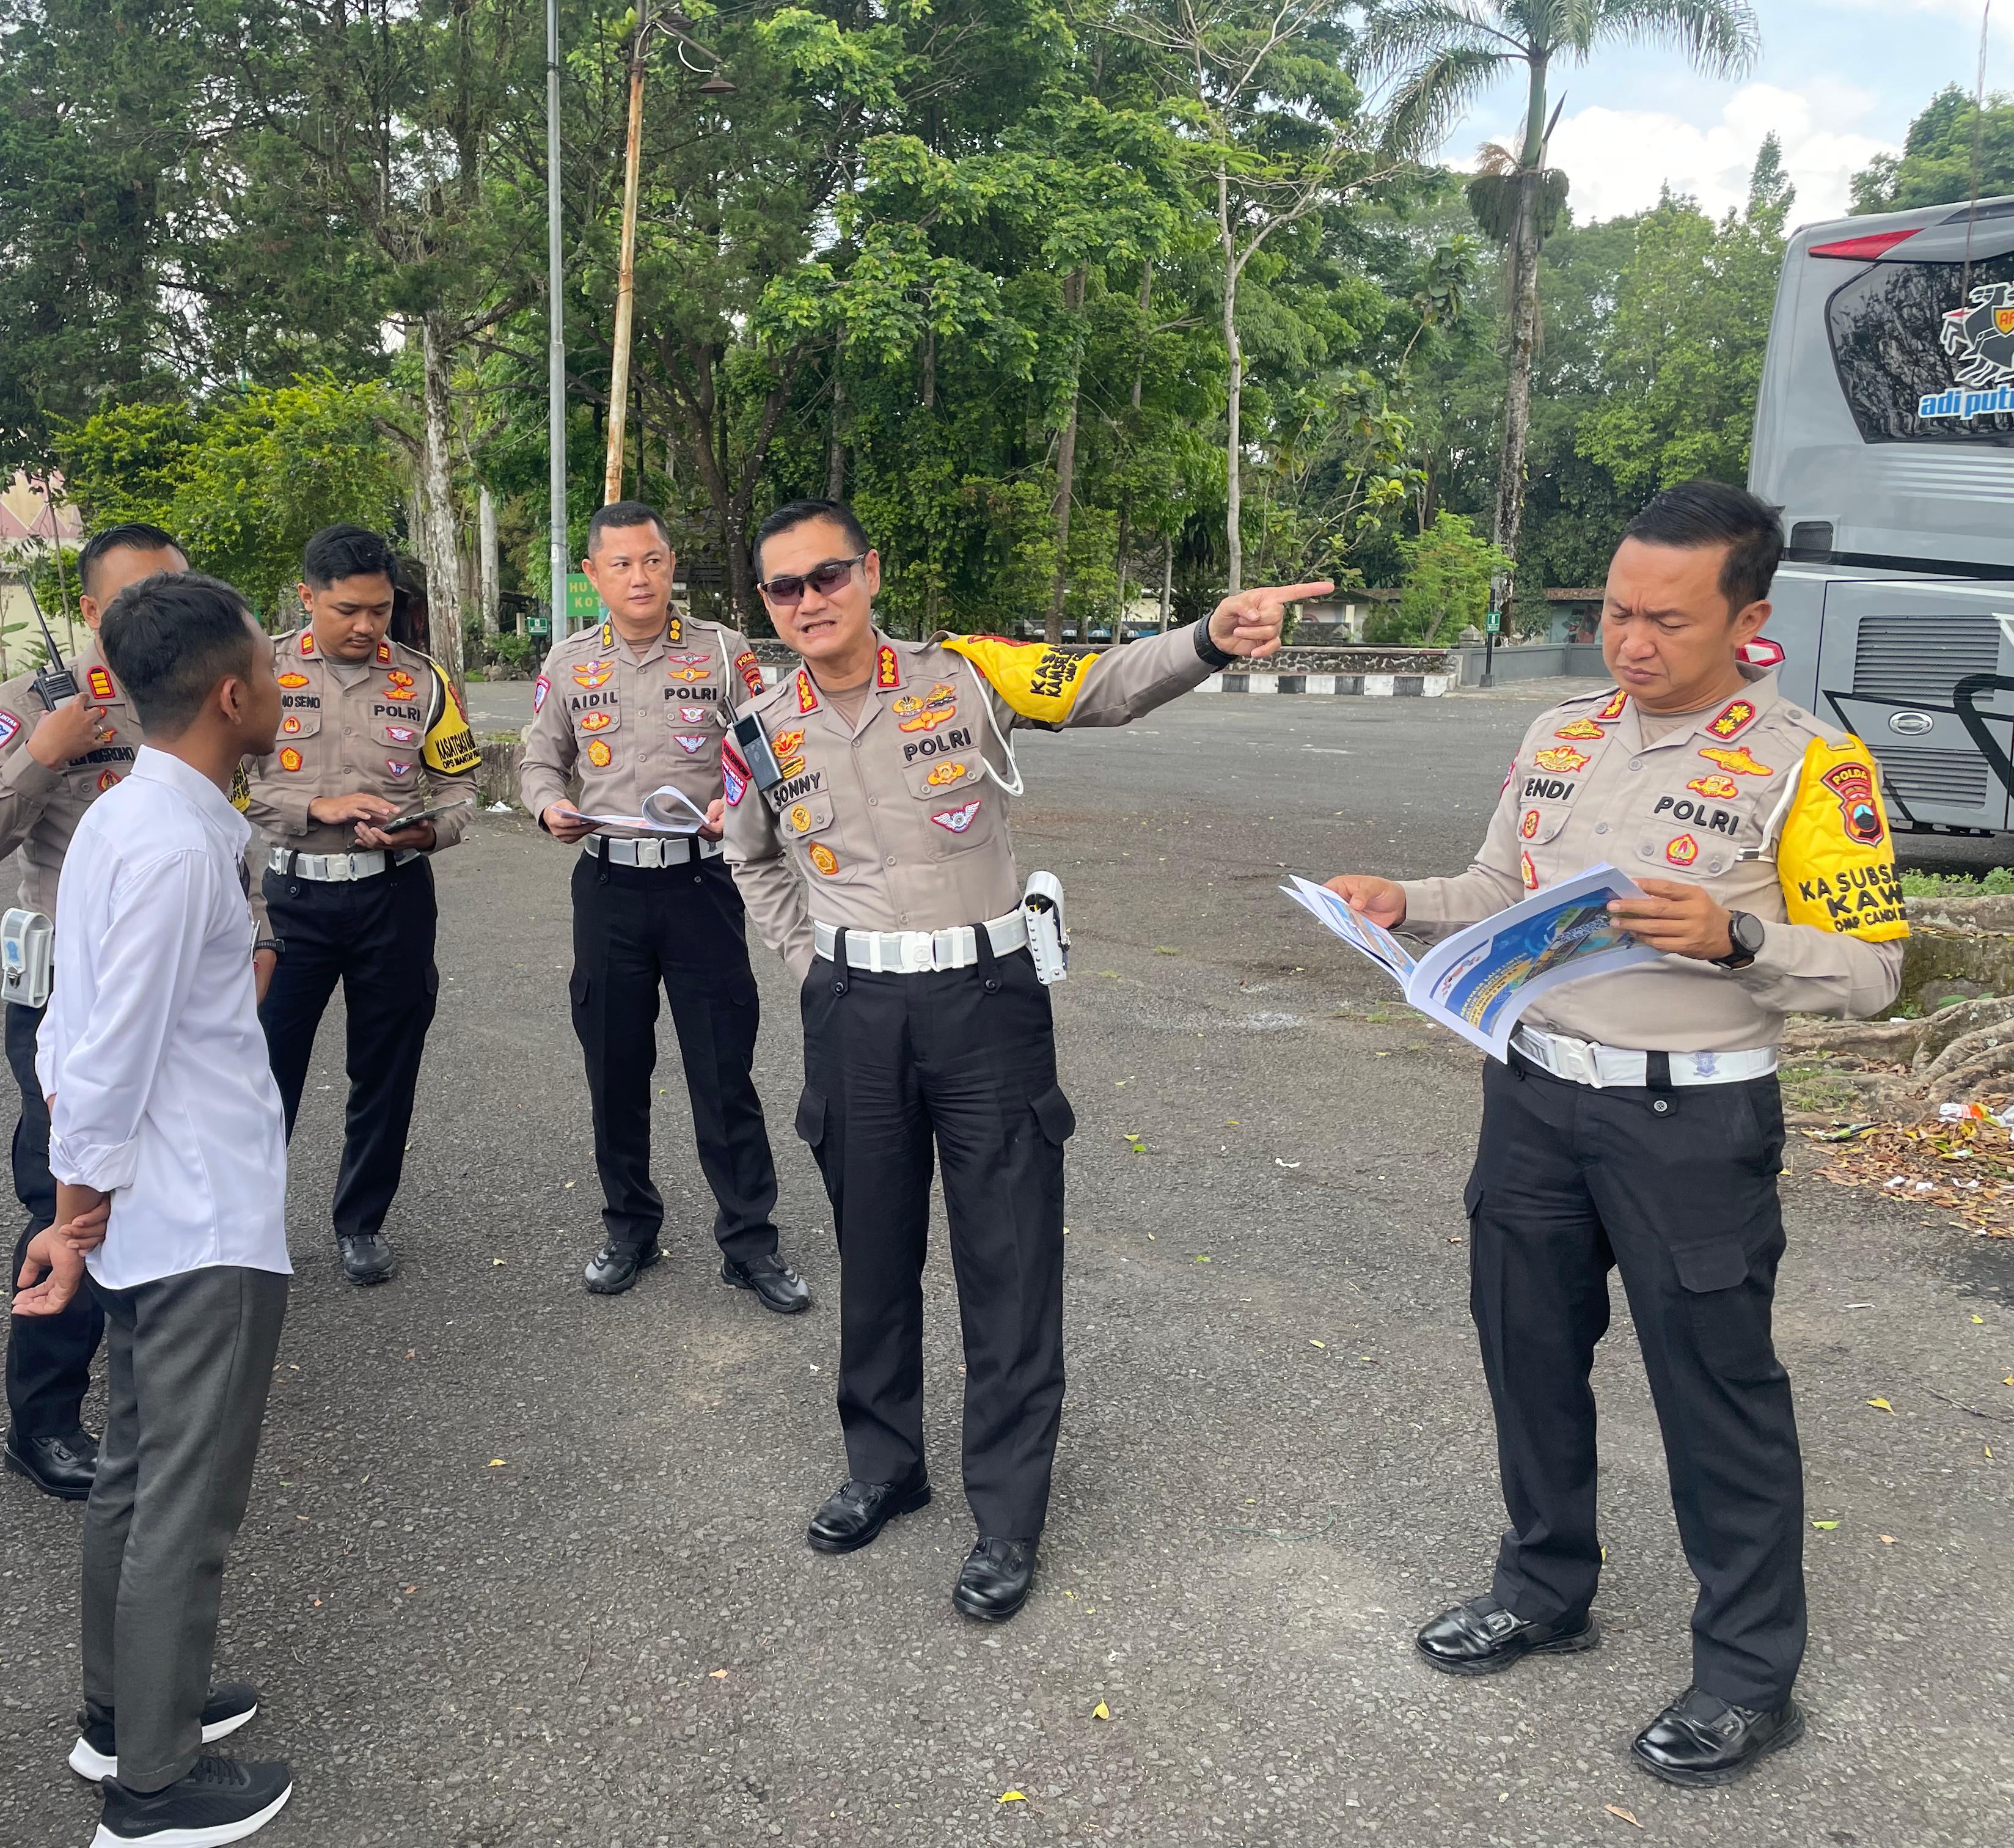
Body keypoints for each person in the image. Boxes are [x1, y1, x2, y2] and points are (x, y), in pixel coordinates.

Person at [1324, 481, 1905, 1788]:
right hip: (1533, 1095)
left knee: (1718, 1393)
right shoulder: (1562, 732)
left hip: (1688, 1118)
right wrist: (1399, 898)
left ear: (1750, 620)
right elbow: (1497, 888)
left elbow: (1876, 973)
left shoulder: (1812, 764)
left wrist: (1737, 935)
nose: (1631, 645)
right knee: (1527, 1352)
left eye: (1666, 623)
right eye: (1617, 614)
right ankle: (1544, 1588)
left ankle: (1750, 1677)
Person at [722, 497, 1319, 1622]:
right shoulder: (759, 724)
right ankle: (884, 1465)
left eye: (828, 575)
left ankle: (1006, 1513)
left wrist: (1204, 635)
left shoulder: (967, 676)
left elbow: (1098, 684)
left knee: (1007, 1255)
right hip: (854, 1008)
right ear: (766, 604)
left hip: (983, 1002)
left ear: (871, 571)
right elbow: (749, 855)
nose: (810, 600)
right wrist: (810, 960)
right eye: (785, 587)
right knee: (874, 1243)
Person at [14, 571, 296, 1846]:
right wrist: (74, 1225)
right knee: (185, 1494)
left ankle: (124, 1713)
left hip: (156, 1213)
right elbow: (110, 1058)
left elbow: (75, 1032)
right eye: (274, 670)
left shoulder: (137, 818)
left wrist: (82, 1217)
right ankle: (155, 1789)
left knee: (135, 1474)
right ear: (231, 697)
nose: (285, 687)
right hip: (193, 1220)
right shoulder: (177, 843)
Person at [0, 522, 279, 1501]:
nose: (161, 613)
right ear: (92, 613)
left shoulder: (186, 697)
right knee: (71, 1195)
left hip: (184, 988)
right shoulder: (34, 707)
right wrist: (44, 758)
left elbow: (224, 842)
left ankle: (152, 1380)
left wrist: (255, 946)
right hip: (68, 993)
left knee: (152, 1200)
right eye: (137, 595)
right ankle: (46, 1417)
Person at [519, 501, 808, 1310]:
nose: (639, 577)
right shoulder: (572, 662)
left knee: (723, 1067)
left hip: (700, 884)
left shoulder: (723, 650)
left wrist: (739, 803)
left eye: (652, 560)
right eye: (621, 564)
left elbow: (771, 749)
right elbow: (539, 763)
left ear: (671, 564)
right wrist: (548, 807)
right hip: (609, 884)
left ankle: (749, 1243)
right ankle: (629, 1229)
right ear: (594, 576)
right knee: (615, 1066)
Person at [243, 524, 481, 1285]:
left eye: (380, 609)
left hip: (394, 898)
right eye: (347, 609)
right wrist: (321, 805)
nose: (367, 627)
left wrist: (423, 832)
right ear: (307, 596)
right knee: (262, 1071)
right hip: (289, 901)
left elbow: (461, 789)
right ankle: (246, 1230)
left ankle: (361, 1223)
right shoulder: (257, 672)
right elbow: (231, 784)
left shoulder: (424, 681)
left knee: (386, 1067)